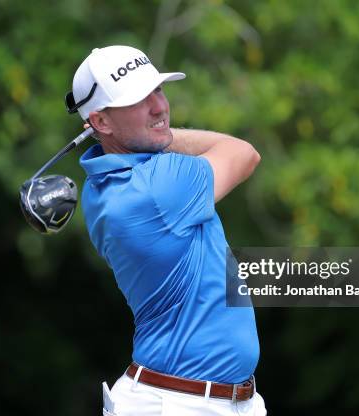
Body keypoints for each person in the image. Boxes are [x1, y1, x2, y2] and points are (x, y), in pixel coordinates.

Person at [67, 45, 266, 416]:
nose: (159, 106)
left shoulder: (103, 186)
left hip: (216, 400)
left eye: (157, 90)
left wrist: (150, 129)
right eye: (139, 100)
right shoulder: (157, 187)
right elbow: (243, 153)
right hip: (179, 404)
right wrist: (166, 133)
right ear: (101, 123)